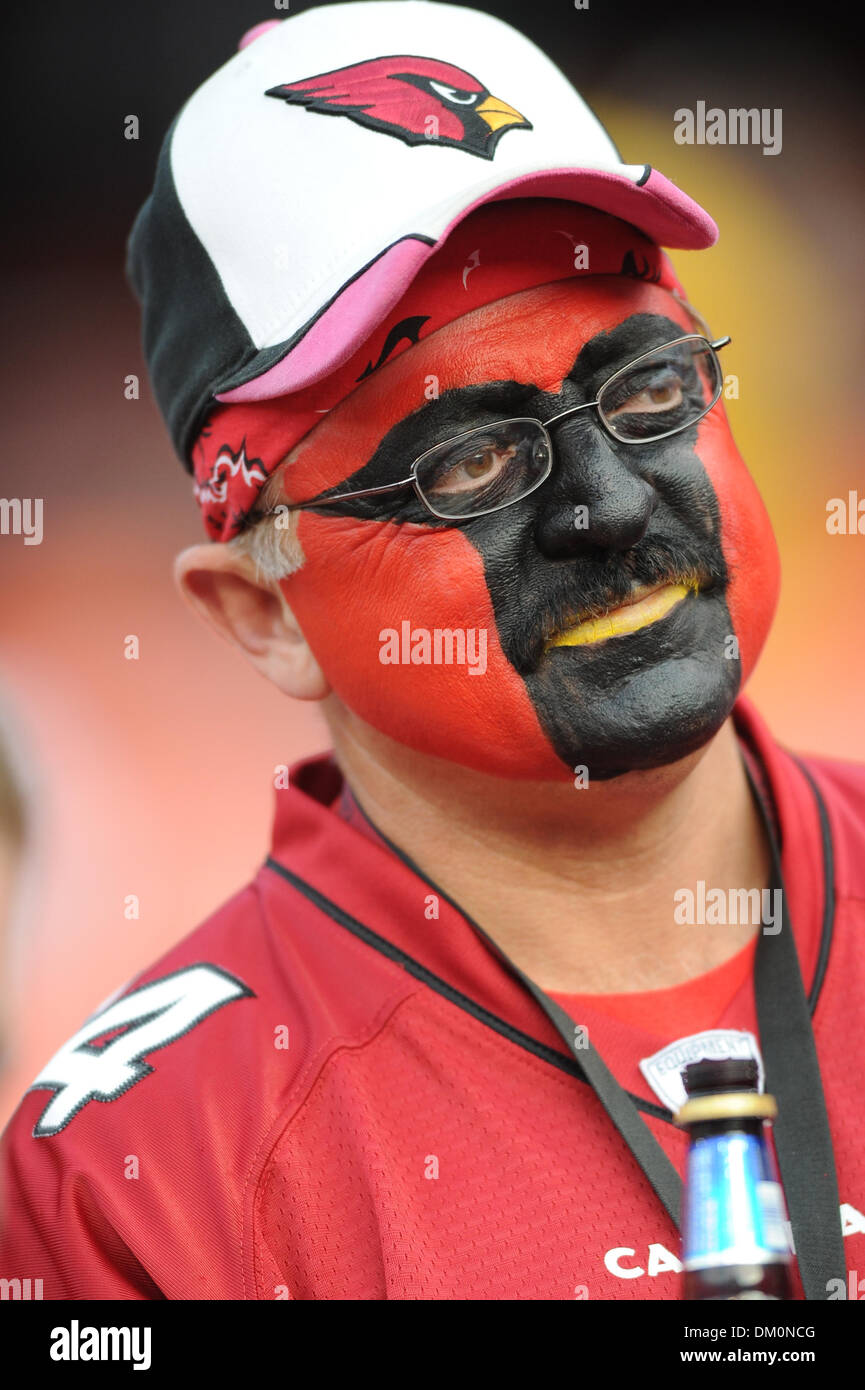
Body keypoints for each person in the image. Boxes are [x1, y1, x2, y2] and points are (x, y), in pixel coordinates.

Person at [1, 1, 863, 1301]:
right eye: (468, 462)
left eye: (643, 390)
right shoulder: (139, 1176)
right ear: (264, 614)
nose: (608, 505)